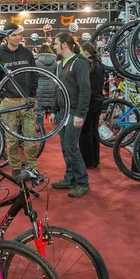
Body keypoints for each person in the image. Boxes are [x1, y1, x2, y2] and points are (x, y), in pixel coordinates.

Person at [0, 22, 41, 179]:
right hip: (8, 102)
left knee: (30, 139)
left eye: (19, 34)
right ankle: (15, 168)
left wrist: (32, 96)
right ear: (7, 36)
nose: (18, 38)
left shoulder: (27, 53)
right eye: (14, 35)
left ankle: (32, 169)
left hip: (26, 101)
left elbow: (34, 74)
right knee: (12, 139)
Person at [51, 32, 91, 198]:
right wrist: (54, 110)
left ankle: (82, 182)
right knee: (65, 148)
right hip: (63, 112)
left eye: (55, 43)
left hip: (74, 111)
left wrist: (80, 114)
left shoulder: (79, 63)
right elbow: (58, 88)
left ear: (64, 45)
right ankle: (70, 178)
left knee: (71, 147)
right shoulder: (60, 64)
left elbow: (85, 89)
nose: (53, 46)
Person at [79, 42, 105, 169]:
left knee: (86, 132)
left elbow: (85, 85)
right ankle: (95, 159)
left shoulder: (88, 64)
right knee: (94, 131)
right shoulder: (99, 63)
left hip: (90, 101)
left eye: (80, 50)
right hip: (98, 100)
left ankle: (88, 160)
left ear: (85, 51)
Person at [36, 43, 58, 113]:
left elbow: (34, 76)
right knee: (54, 110)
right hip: (52, 87)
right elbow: (57, 75)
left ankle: (40, 124)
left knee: (39, 111)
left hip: (40, 87)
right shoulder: (55, 62)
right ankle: (58, 123)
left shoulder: (36, 62)